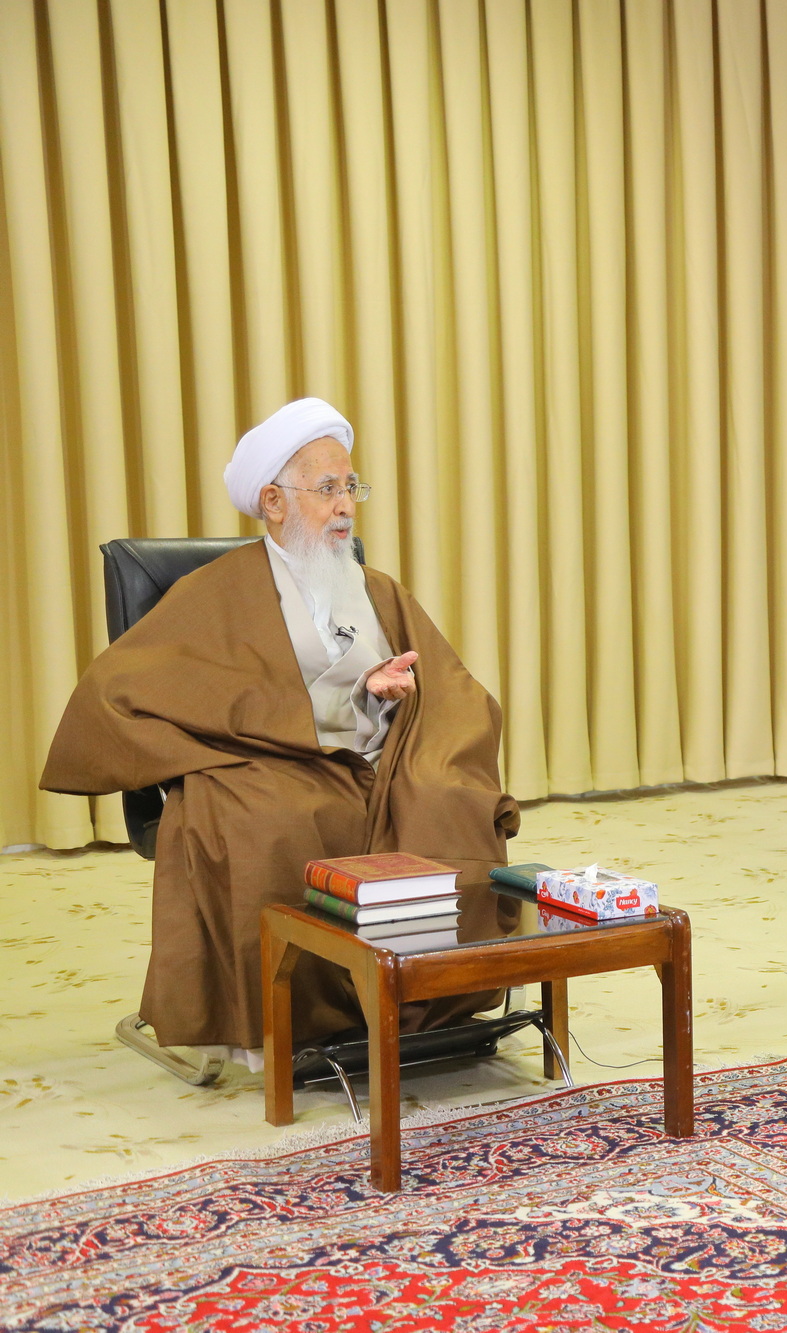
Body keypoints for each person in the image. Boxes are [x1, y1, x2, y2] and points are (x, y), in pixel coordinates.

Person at [41, 398, 519, 1066]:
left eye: (351, 487)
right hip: (280, 764)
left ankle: (431, 1001)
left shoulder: (378, 589)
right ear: (272, 501)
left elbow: (454, 688)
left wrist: (397, 697)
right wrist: (330, 700)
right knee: (267, 818)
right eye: (327, 489)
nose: (346, 506)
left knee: (449, 798)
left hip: (388, 760)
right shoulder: (215, 592)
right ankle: (291, 1019)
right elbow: (129, 689)